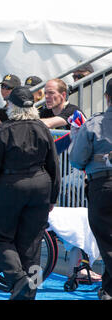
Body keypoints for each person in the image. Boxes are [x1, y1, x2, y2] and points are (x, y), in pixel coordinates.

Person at [0, 86, 60, 300]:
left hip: (10, 187)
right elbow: (54, 165)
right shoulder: (42, 128)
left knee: (0, 236)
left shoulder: (4, 130)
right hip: (41, 186)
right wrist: (53, 198)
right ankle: (31, 291)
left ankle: (20, 281)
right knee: (33, 242)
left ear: (12, 106)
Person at [69, 78, 112, 300]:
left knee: (106, 240)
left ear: (107, 97)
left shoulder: (94, 124)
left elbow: (76, 161)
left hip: (102, 187)